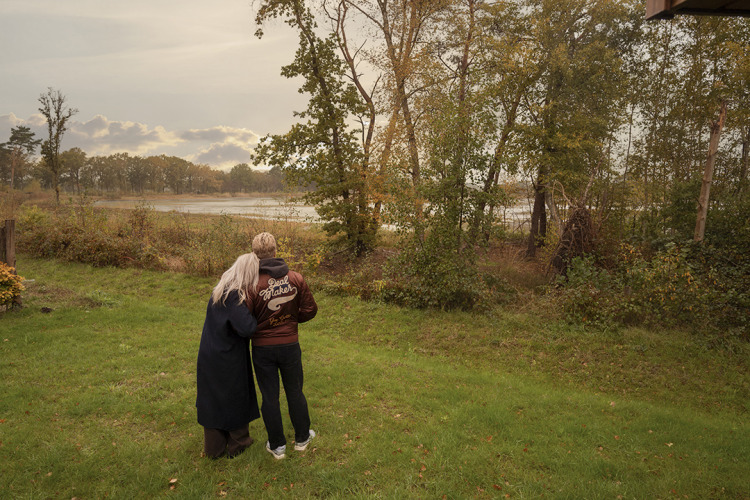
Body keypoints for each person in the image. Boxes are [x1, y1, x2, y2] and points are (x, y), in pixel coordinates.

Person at [249, 232, 318, 459]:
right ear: (276, 251)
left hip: (262, 349)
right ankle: (302, 438)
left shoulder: (250, 283)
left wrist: (263, 327)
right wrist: (290, 322)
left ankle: (277, 445)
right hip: (289, 345)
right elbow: (310, 310)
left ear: (255, 254)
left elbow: (245, 319)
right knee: (294, 390)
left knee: (269, 396)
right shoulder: (295, 278)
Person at [196, 253, 261, 458]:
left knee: (213, 398)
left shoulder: (221, 289)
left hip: (210, 352)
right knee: (234, 396)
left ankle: (214, 448)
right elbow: (247, 327)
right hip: (228, 356)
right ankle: (238, 444)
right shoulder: (234, 295)